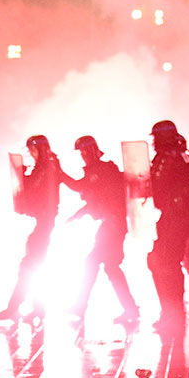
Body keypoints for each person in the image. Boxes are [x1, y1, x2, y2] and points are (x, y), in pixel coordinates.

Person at [61, 136, 139, 325]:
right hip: (110, 223)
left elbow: (91, 190)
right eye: (81, 153)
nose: (83, 156)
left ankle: (84, 306)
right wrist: (78, 214)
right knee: (107, 266)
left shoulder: (105, 170)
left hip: (114, 224)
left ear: (92, 150)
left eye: (85, 152)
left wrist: (60, 175)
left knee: (100, 263)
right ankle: (129, 309)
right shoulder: (97, 171)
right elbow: (93, 197)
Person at [148, 120, 189, 330]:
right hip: (186, 217)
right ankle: (174, 311)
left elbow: (153, 185)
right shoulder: (187, 158)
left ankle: (172, 313)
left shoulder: (166, 159)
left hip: (174, 218)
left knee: (164, 262)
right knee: (176, 262)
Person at [0, 135, 60, 323]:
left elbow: (34, 188)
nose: (30, 154)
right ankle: (38, 308)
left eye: (32, 150)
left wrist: (22, 175)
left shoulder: (47, 168)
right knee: (34, 265)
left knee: (28, 266)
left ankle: (14, 308)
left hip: (45, 223)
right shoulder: (47, 166)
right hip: (43, 222)